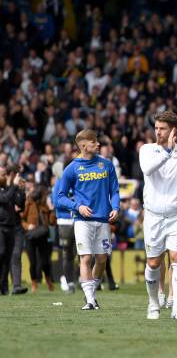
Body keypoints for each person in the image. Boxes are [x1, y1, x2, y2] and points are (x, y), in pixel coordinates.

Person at [139, 111, 177, 320]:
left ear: (173, 130)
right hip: (153, 216)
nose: (157, 132)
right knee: (153, 262)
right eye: (156, 128)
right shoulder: (147, 150)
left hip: (176, 216)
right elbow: (147, 169)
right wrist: (168, 151)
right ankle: (153, 304)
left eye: (162, 129)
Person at [56, 129, 120, 310]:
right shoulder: (72, 168)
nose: (98, 144)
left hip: (104, 219)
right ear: (83, 145)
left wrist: (115, 207)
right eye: (94, 142)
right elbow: (60, 197)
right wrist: (78, 206)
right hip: (82, 220)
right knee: (85, 258)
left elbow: (114, 190)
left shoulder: (106, 165)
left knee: (101, 259)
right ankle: (90, 299)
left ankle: (91, 293)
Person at [22, 184, 53, 292]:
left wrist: (51, 209)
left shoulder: (45, 205)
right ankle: (34, 284)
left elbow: (52, 222)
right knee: (33, 262)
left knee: (45, 261)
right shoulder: (28, 203)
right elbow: (21, 219)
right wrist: (27, 226)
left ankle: (49, 282)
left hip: (43, 235)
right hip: (30, 236)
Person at [0, 166, 24, 295]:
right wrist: (14, 186)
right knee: (1, 253)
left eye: (6, 174)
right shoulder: (7, 189)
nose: (5, 177)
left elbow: (20, 204)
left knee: (7, 258)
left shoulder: (8, 189)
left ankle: (4, 287)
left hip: (11, 226)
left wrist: (21, 190)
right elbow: (4, 199)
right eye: (3, 174)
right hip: (1, 226)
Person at [52, 173, 77, 294]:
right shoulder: (60, 181)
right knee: (67, 252)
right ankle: (69, 281)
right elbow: (56, 202)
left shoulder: (80, 179)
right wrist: (74, 205)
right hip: (64, 222)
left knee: (81, 251)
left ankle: (83, 280)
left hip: (79, 220)